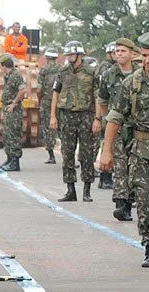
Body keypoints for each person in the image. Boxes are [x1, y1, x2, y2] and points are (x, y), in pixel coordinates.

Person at [102, 32, 149, 266]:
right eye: (145, 56)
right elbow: (115, 117)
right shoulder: (131, 83)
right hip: (141, 151)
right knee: (143, 200)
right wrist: (107, 150)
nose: (148, 60)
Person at [99, 38, 140, 222]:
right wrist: (102, 121)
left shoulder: (140, 76)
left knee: (134, 167)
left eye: (123, 51)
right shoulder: (108, 75)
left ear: (132, 54)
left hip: (137, 129)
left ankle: (130, 201)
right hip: (116, 127)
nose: (119, 54)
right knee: (120, 166)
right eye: (117, 51)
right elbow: (103, 100)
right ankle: (121, 205)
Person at [51, 41, 97, 202]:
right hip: (67, 116)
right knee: (67, 153)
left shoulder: (91, 72)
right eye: (67, 54)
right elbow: (55, 94)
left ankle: (87, 189)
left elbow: (98, 96)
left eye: (71, 54)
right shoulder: (62, 71)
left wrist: (97, 119)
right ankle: (70, 189)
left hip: (86, 116)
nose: (69, 57)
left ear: (79, 54)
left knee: (86, 154)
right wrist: (53, 116)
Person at [0, 54, 25, 171]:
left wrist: (14, 103)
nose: (0, 68)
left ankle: (15, 162)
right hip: (8, 109)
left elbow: (23, 90)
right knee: (7, 135)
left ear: (4, 65)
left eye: (0, 66)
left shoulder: (16, 76)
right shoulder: (8, 76)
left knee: (14, 135)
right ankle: (9, 158)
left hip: (14, 110)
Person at [96, 43, 117, 190]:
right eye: (114, 52)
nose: (117, 55)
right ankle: (105, 176)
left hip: (115, 112)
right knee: (108, 144)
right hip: (108, 112)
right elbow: (101, 94)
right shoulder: (106, 68)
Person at [39, 46, 61, 164]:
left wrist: (39, 100)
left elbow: (39, 88)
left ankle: (51, 156)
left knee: (48, 128)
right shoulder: (62, 69)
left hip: (47, 102)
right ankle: (69, 157)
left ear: (47, 58)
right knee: (64, 129)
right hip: (61, 102)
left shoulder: (44, 70)